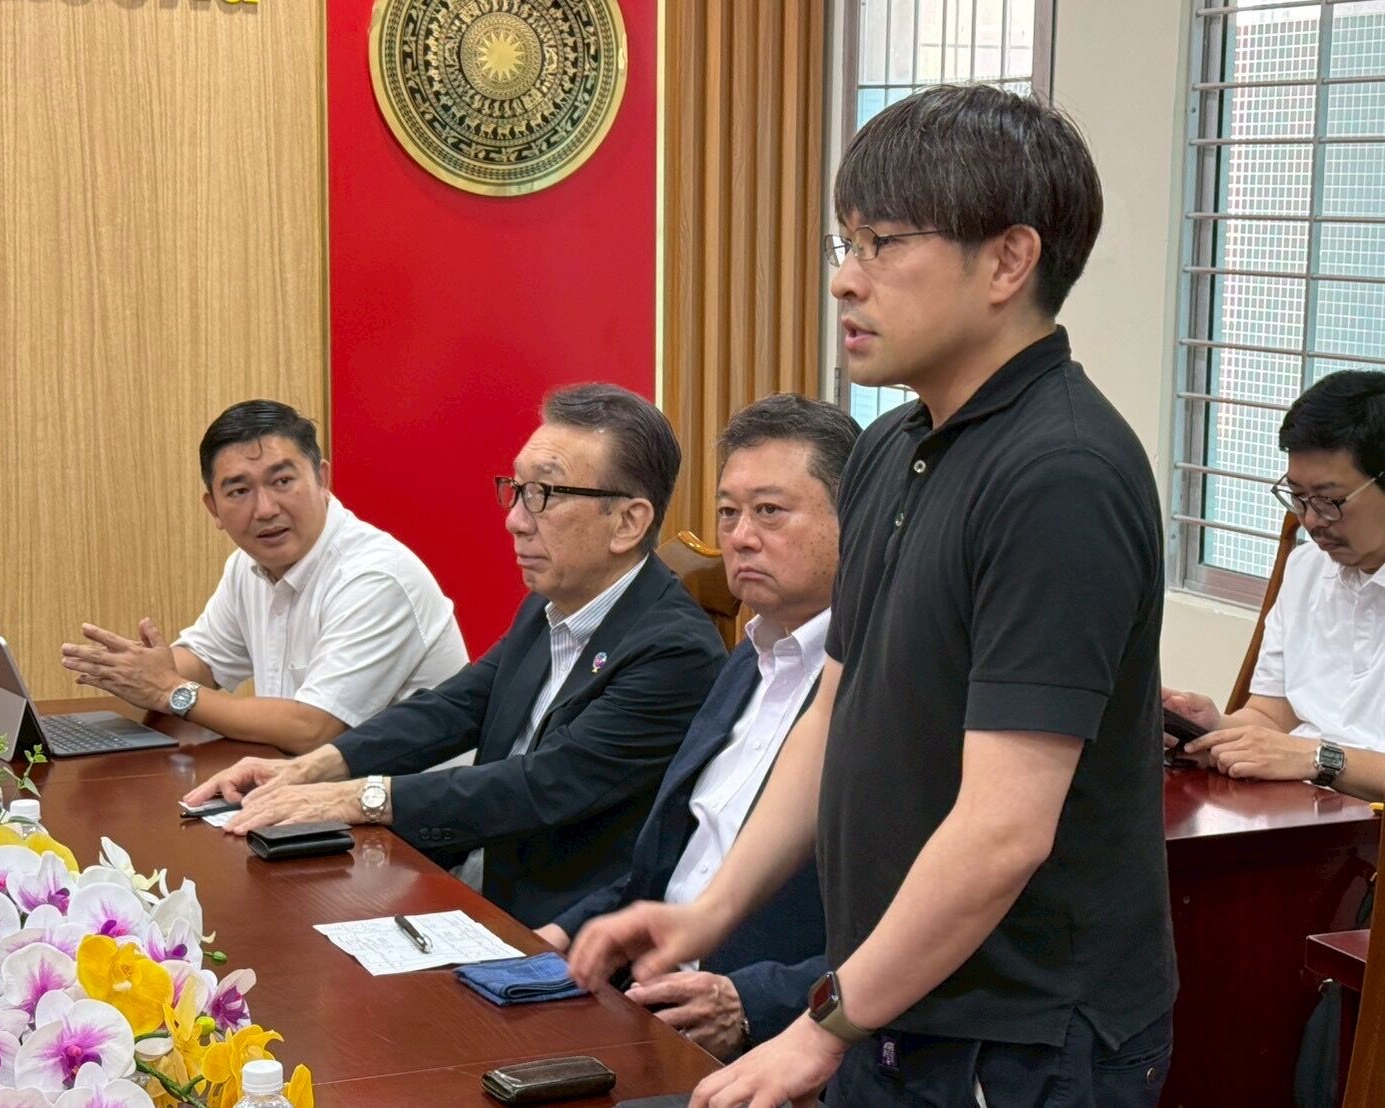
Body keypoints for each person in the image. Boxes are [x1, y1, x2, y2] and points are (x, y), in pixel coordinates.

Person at [570, 85, 1177, 1107]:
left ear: (1007, 260)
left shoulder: (1059, 474)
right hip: (893, 1005)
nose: (844, 279)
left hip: (1020, 1038)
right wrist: (712, 910)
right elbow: (834, 711)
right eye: (843, 243)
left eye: (883, 243)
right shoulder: (896, 444)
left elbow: (1003, 830)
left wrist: (822, 1029)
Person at [182, 384, 727, 926]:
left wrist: (355, 798)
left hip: (567, 924)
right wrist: (308, 769)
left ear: (628, 522)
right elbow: (454, 706)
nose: (515, 519)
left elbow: (543, 784)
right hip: (481, 873)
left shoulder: (674, 651)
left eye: (545, 494)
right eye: (517, 489)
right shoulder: (551, 605)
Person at [537, 393, 856, 1060]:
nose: (739, 536)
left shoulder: (883, 691)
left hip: (770, 1041)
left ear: (854, 518)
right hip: (641, 997)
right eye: (728, 512)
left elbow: (914, 930)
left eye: (769, 511)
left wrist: (754, 1006)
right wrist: (566, 933)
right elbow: (671, 863)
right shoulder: (746, 662)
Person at [61, 399, 467, 755]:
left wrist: (168, 689)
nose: (266, 509)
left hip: (405, 810)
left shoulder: (375, 578)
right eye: (239, 491)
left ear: (322, 480)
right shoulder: (247, 566)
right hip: (301, 789)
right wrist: (144, 669)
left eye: (282, 481)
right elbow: (205, 662)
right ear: (214, 509)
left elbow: (314, 729)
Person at [1169, 371, 1385, 801]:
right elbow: (1273, 716)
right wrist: (1213, 729)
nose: (1311, 520)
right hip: (1303, 813)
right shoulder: (1307, 569)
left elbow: (1300, 751)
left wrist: (1320, 759)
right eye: (1298, 497)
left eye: (1329, 500)